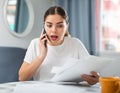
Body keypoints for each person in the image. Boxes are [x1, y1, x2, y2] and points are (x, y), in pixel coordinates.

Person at [19, 6, 99, 85]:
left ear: (66, 26)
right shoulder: (35, 44)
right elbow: (22, 78)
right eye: (49, 25)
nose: (53, 30)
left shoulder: (75, 44)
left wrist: (94, 78)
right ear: (44, 26)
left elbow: (91, 72)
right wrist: (41, 56)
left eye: (60, 26)